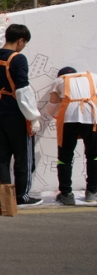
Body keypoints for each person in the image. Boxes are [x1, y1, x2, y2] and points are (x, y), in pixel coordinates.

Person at [0, 14, 42, 206]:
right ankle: (21, 196)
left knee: (1, 157)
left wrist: (1, 27)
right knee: (23, 157)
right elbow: (23, 90)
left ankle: (4, 197)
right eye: (24, 43)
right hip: (15, 114)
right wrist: (33, 118)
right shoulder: (18, 59)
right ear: (21, 40)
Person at [45, 67, 97, 205]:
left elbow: (52, 105)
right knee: (93, 155)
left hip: (68, 119)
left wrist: (51, 112)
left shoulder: (59, 80)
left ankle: (66, 194)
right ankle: (92, 191)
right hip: (91, 118)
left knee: (65, 157)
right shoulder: (92, 76)